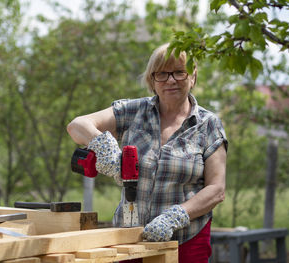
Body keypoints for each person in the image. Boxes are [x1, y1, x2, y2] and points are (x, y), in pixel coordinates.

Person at [67, 43, 227, 263]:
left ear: (193, 76)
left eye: (179, 72)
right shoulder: (133, 112)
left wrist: (175, 217)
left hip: (186, 240)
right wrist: (102, 146)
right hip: (128, 238)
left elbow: (216, 189)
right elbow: (77, 125)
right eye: (162, 74)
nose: (171, 80)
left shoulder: (208, 125)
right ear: (152, 80)